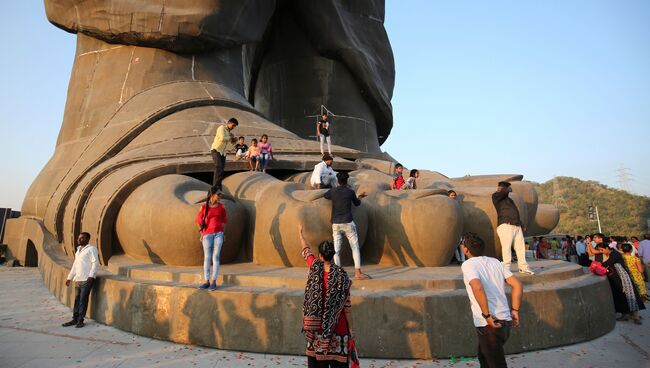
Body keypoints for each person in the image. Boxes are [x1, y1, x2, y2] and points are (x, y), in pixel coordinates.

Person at [460, 232, 523, 368]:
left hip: (490, 324)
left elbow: (477, 287)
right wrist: (515, 310)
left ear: (466, 249)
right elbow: (517, 285)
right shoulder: (496, 262)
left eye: (462, 243)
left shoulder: (468, 265)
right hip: (504, 321)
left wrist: (487, 315)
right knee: (484, 357)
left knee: (496, 364)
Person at [299, 224, 353, 367]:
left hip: (317, 330)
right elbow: (347, 305)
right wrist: (351, 329)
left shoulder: (314, 267)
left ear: (321, 256)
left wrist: (300, 233)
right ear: (333, 255)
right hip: (338, 329)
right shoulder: (342, 275)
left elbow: (306, 251)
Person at [324, 172, 370, 280]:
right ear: (347, 180)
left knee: (336, 250)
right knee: (355, 247)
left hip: (336, 223)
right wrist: (360, 197)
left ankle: (338, 274)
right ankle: (358, 273)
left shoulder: (333, 191)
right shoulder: (350, 192)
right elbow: (357, 203)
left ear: (337, 180)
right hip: (348, 222)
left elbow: (325, 195)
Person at [492, 181, 534, 275]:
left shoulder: (510, 200)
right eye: (505, 188)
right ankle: (506, 268)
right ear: (500, 188)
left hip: (516, 226)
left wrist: (521, 225)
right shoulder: (496, 196)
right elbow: (503, 193)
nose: (509, 190)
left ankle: (523, 267)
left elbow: (515, 212)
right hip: (505, 225)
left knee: (520, 248)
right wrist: (504, 189)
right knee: (506, 247)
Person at [598, 244, 645, 324]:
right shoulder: (612, 254)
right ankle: (625, 315)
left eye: (601, 250)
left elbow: (609, 262)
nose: (600, 252)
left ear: (606, 248)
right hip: (618, 279)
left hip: (624, 278)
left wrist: (598, 265)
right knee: (622, 296)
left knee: (631, 295)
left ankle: (635, 316)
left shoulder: (614, 254)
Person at [62, 232, 99, 328]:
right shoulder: (78, 250)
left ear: (87, 239)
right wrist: (69, 278)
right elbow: (75, 265)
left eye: (82, 238)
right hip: (78, 279)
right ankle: (74, 319)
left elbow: (95, 263)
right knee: (77, 300)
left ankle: (80, 320)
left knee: (83, 300)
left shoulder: (92, 249)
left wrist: (91, 276)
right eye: (79, 238)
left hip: (87, 279)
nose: (79, 239)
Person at [195, 187, 227, 291]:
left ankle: (214, 281)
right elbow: (198, 221)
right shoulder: (203, 207)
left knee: (216, 256)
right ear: (212, 195)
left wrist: (223, 233)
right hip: (207, 235)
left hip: (218, 234)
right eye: (218, 194)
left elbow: (223, 221)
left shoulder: (222, 207)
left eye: (220, 194)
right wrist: (201, 234)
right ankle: (206, 281)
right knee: (207, 258)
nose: (220, 196)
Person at [211, 117, 238, 190]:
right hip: (216, 150)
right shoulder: (222, 128)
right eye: (233, 125)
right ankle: (215, 186)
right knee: (218, 166)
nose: (233, 127)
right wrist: (230, 137)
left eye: (234, 126)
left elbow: (231, 143)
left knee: (221, 169)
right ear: (228, 123)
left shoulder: (229, 132)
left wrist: (234, 140)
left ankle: (218, 186)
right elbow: (222, 138)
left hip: (223, 153)